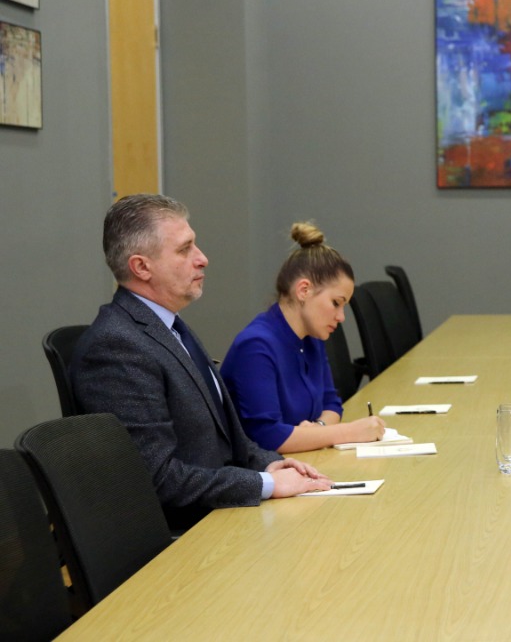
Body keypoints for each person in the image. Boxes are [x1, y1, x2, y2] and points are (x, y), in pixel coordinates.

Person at [70, 194, 331, 532]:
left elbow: (224, 437)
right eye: (184, 249)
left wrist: (270, 465)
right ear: (142, 267)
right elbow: (157, 478)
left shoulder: (169, 326)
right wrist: (263, 484)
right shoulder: (117, 347)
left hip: (223, 511)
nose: (202, 259)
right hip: (189, 533)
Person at [220, 223, 385, 452]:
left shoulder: (311, 338)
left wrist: (317, 429)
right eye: (336, 303)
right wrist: (349, 432)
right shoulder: (255, 346)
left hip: (302, 461)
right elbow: (268, 436)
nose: (341, 317)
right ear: (304, 290)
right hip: (261, 470)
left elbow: (332, 404)